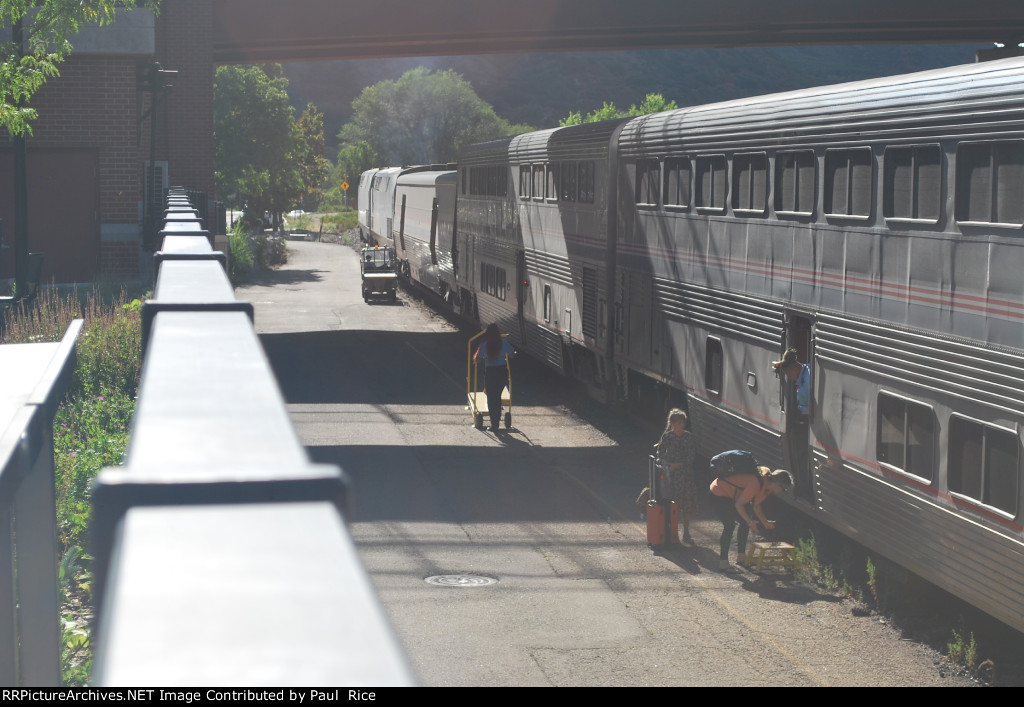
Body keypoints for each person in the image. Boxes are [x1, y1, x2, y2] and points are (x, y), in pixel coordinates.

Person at [708, 450, 793, 570]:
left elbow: (756, 506)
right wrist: (750, 522)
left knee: (743, 523)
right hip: (718, 493)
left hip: (733, 496)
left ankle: (741, 557)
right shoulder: (756, 483)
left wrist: (765, 522)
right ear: (778, 484)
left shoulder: (765, 488)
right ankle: (723, 563)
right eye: (784, 489)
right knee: (729, 525)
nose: (783, 492)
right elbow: (739, 505)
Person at [655, 409, 697, 545]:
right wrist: (665, 462)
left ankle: (686, 532)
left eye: (683, 422)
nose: (682, 425)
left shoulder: (688, 437)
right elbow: (659, 454)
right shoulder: (668, 437)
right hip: (672, 478)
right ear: (672, 423)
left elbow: (690, 458)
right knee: (674, 505)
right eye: (679, 423)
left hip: (686, 476)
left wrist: (675, 465)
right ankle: (673, 534)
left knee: (687, 505)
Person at [474, 323, 515, 431]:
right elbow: (512, 354)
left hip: (491, 373)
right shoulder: (504, 342)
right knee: (497, 395)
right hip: (502, 372)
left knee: (492, 398)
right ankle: (498, 416)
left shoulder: (484, 345)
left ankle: (494, 424)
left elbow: (477, 359)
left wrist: (481, 358)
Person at [774, 347, 810, 416]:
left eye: (788, 373)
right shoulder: (808, 367)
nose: (788, 377)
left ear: (796, 369)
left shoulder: (805, 384)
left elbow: (805, 412)